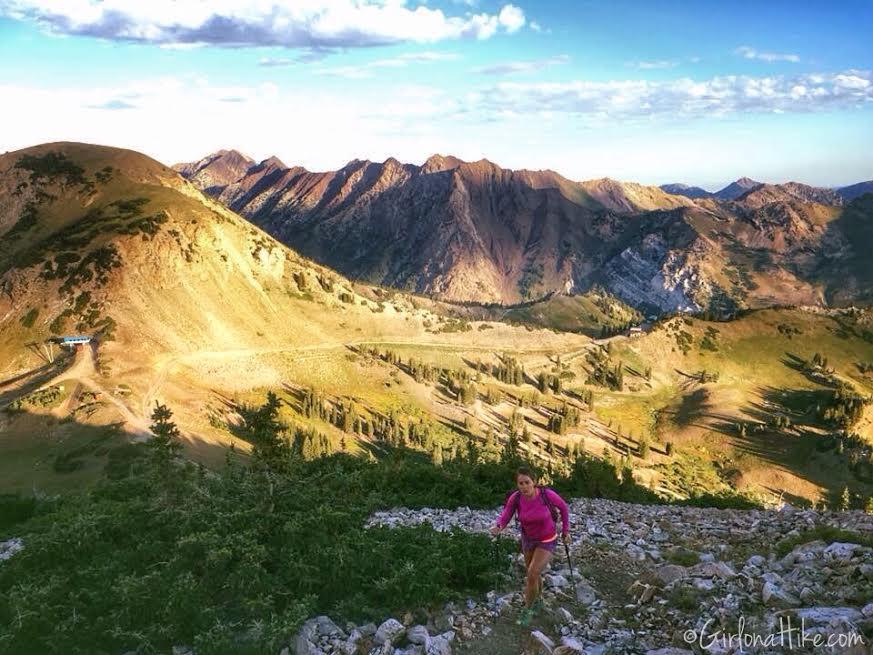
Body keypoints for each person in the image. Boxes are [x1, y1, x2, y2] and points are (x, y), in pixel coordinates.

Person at [490, 467, 570, 626]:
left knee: (532, 573)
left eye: (527, 482)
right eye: (520, 483)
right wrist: (499, 526)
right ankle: (538, 600)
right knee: (534, 574)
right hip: (528, 539)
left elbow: (564, 508)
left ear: (534, 482)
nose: (524, 486)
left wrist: (566, 531)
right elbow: (506, 514)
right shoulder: (516, 498)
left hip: (547, 538)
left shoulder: (547, 495)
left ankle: (528, 609)